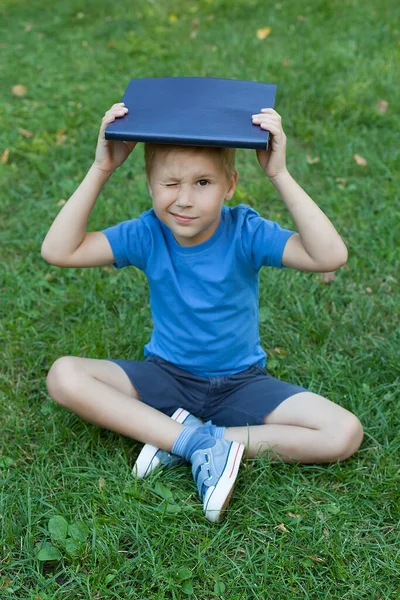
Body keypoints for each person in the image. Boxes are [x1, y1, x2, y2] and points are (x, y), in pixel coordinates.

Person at [41, 102, 364, 523]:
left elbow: (330, 255)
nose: (185, 200)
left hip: (241, 384)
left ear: (230, 185)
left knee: (344, 432)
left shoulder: (245, 231)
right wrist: (101, 167)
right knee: (63, 375)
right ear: (150, 185)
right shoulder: (148, 233)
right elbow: (58, 250)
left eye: (203, 182)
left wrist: (279, 174)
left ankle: (190, 439)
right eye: (170, 183)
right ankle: (192, 443)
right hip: (165, 377)